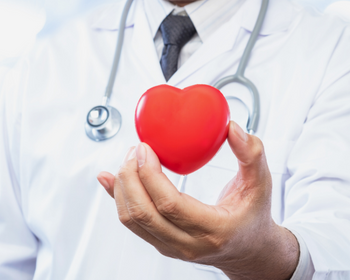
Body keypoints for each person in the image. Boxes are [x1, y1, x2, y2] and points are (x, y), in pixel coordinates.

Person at [1, 0, 350, 279]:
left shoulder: (334, 49)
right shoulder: (42, 61)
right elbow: (8, 259)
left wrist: (258, 256)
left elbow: (336, 247)